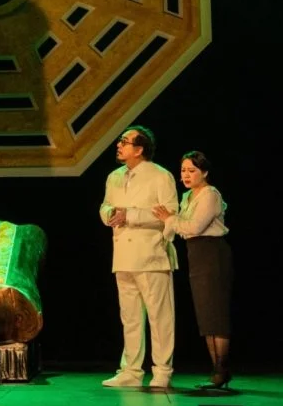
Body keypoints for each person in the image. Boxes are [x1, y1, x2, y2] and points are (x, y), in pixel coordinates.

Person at [99, 126, 179, 388]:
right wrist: (110, 214)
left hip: (151, 255)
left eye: (125, 141)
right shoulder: (114, 177)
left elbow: (170, 214)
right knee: (130, 317)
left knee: (159, 317)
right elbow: (105, 205)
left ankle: (162, 370)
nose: (119, 145)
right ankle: (131, 371)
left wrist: (130, 215)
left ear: (140, 149)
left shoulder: (160, 176)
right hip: (123, 255)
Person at [153, 151, 233, 389]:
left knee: (216, 313)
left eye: (192, 170)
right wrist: (167, 225)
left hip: (212, 253)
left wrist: (170, 219)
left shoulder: (210, 194)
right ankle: (216, 370)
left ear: (204, 172)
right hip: (196, 254)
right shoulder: (187, 196)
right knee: (206, 314)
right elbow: (179, 227)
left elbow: (194, 227)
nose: (186, 175)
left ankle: (222, 370)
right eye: (183, 171)